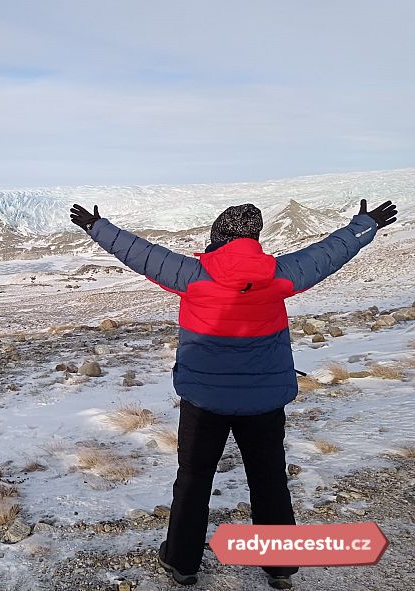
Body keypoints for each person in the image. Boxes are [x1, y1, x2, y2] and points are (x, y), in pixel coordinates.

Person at [69, 199, 398, 589]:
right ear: (254, 238)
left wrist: (97, 227)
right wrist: (366, 224)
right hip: (264, 402)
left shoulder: (193, 274)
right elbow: (328, 252)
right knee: (269, 479)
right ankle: (279, 566)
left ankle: (182, 562)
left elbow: (143, 254)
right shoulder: (280, 274)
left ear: (217, 236)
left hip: (204, 402)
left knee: (193, 479)